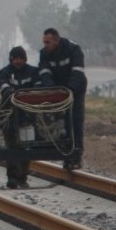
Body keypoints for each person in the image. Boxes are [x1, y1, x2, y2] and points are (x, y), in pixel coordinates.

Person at [36, 28, 87, 170]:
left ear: (57, 41)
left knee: (75, 120)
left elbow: (78, 73)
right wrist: (52, 91)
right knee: (59, 121)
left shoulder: (74, 50)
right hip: (58, 91)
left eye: (48, 42)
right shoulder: (44, 54)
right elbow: (44, 73)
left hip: (75, 90)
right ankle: (65, 153)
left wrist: (69, 92)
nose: (45, 45)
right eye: (44, 42)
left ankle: (76, 156)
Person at [0, 46, 40, 188]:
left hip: (27, 116)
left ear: (25, 59)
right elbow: (3, 88)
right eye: (15, 58)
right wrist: (11, 93)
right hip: (8, 115)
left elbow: (39, 87)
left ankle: (23, 177)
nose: (18, 61)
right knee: (12, 146)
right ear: (11, 59)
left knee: (26, 145)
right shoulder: (4, 72)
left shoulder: (33, 72)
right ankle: (13, 178)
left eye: (21, 58)